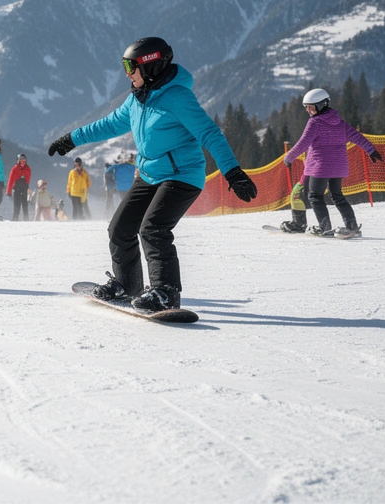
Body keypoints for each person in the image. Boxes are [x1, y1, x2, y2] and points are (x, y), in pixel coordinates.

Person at [49, 36, 257, 312]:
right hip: (149, 174)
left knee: (154, 228)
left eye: (130, 66)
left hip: (182, 175)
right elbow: (110, 124)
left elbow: (209, 133)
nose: (126, 74)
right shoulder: (138, 98)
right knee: (120, 228)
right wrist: (72, 139)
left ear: (150, 66)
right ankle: (127, 283)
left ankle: (165, 292)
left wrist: (233, 172)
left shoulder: (178, 97)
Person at [284, 88, 380, 238]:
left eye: (311, 107)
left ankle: (325, 228)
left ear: (322, 105)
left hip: (321, 167)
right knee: (337, 196)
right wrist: (371, 150)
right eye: (306, 107)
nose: (308, 111)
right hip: (338, 167)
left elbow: (303, 143)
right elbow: (357, 137)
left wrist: (289, 157)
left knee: (315, 196)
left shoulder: (314, 123)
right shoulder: (340, 123)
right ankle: (352, 226)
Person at [7, 153, 33, 221]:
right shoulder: (15, 169)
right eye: (21, 160)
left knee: (25, 205)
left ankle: (26, 219)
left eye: (24, 160)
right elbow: (11, 180)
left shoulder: (28, 169)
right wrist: (8, 192)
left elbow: (28, 179)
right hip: (17, 189)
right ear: (18, 161)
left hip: (24, 188)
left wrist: (27, 186)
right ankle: (15, 219)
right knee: (17, 206)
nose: (22, 162)